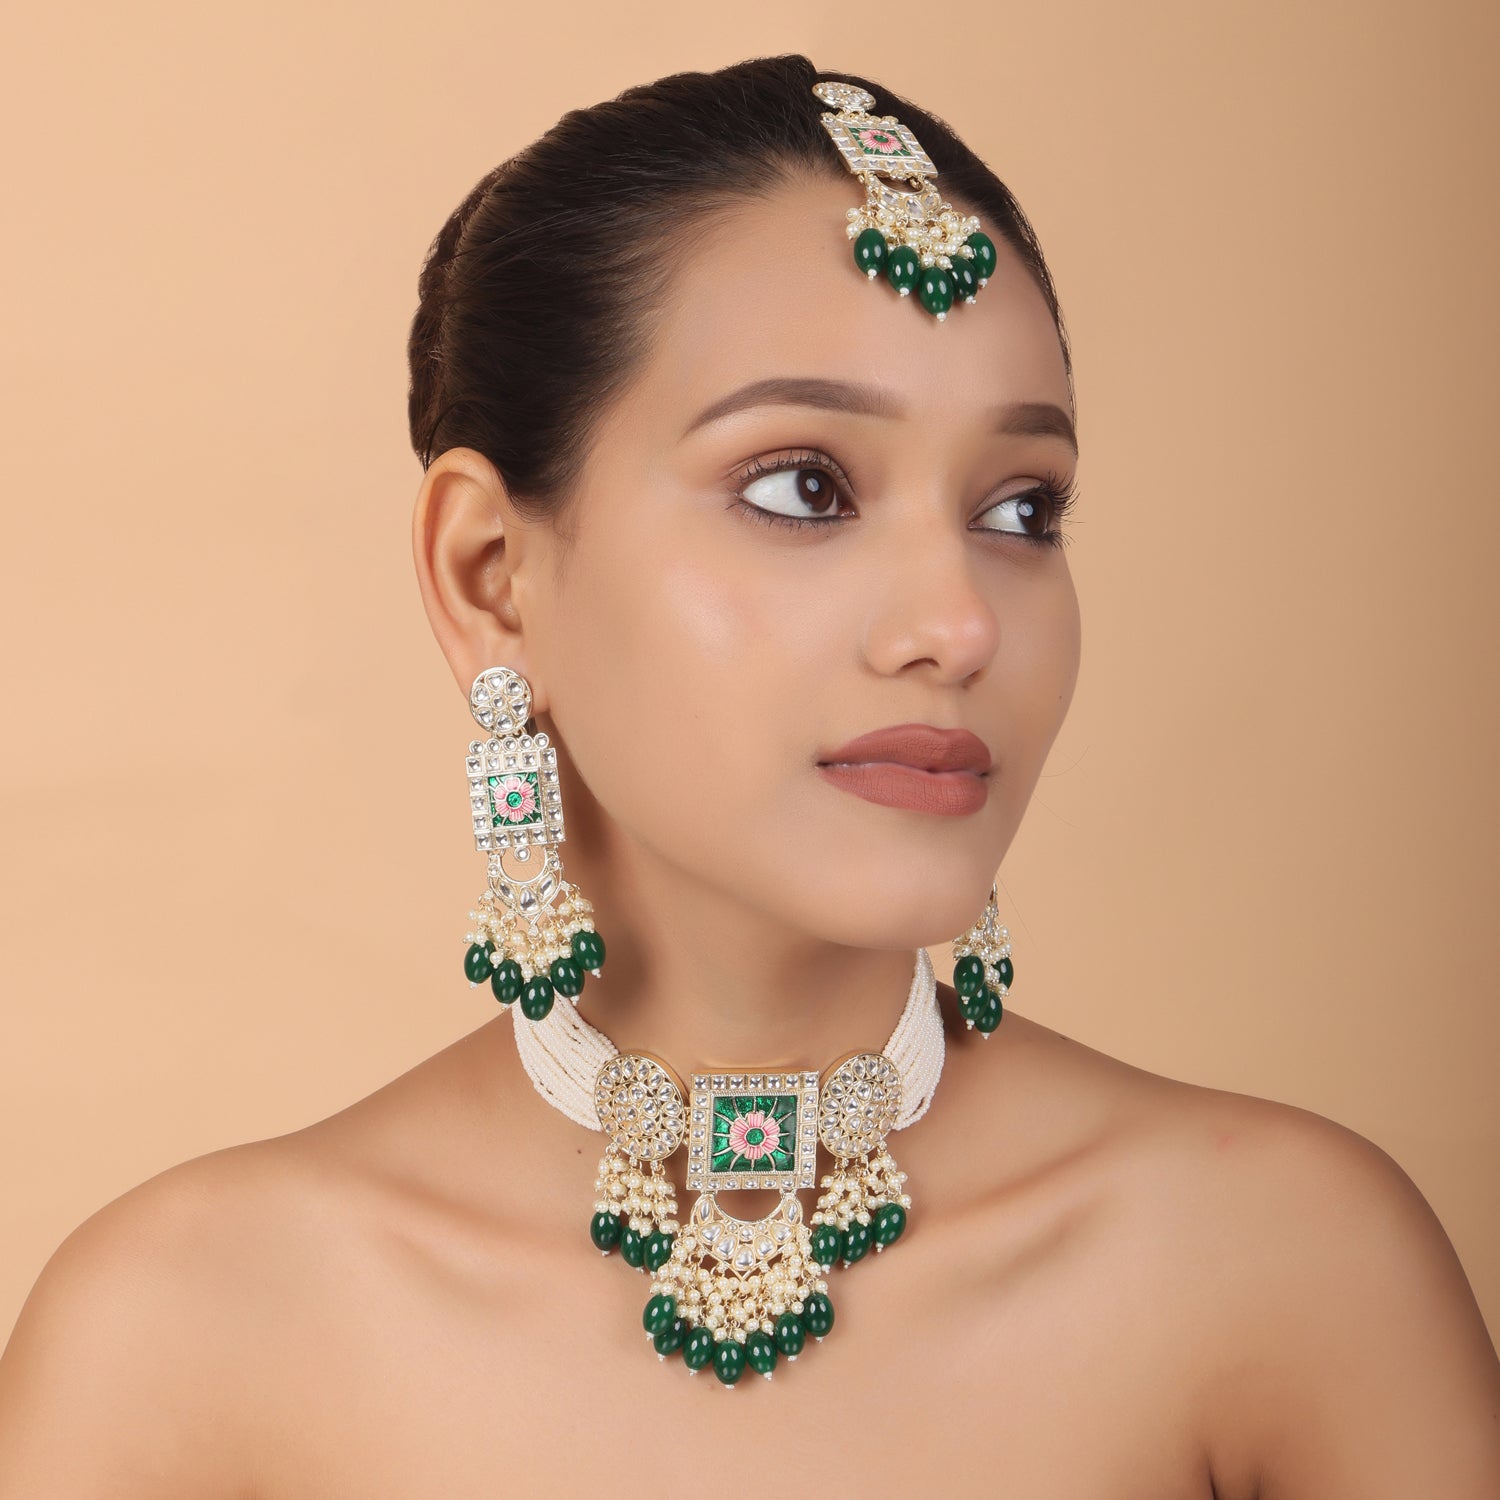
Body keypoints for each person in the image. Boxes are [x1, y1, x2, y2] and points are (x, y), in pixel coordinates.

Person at [1, 51, 1496, 1497]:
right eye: (805, 486)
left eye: (1021, 509)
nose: (960, 625)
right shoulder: (186, 1341)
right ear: (491, 575)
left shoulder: (1280, 1277)